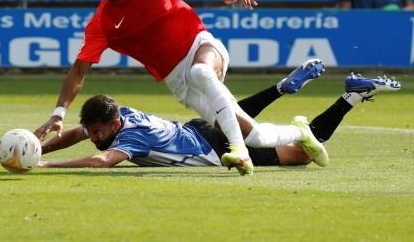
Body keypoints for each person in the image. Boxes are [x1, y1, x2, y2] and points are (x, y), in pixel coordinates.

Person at [34, 0, 328, 176]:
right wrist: (58, 113)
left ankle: (238, 150)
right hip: (178, 81)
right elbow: (79, 70)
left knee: (202, 72)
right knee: (259, 136)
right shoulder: (102, 23)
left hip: (201, 45)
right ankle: (300, 131)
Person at [40, 68, 401, 169]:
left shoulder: (129, 138)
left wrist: (46, 166)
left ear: (115, 124)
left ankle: (351, 94)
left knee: (303, 153)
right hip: (196, 131)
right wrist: (42, 147)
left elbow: (103, 160)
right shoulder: (119, 115)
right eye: (95, 131)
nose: (96, 136)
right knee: (238, 118)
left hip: (212, 149)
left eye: (100, 132)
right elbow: (78, 132)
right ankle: (280, 88)